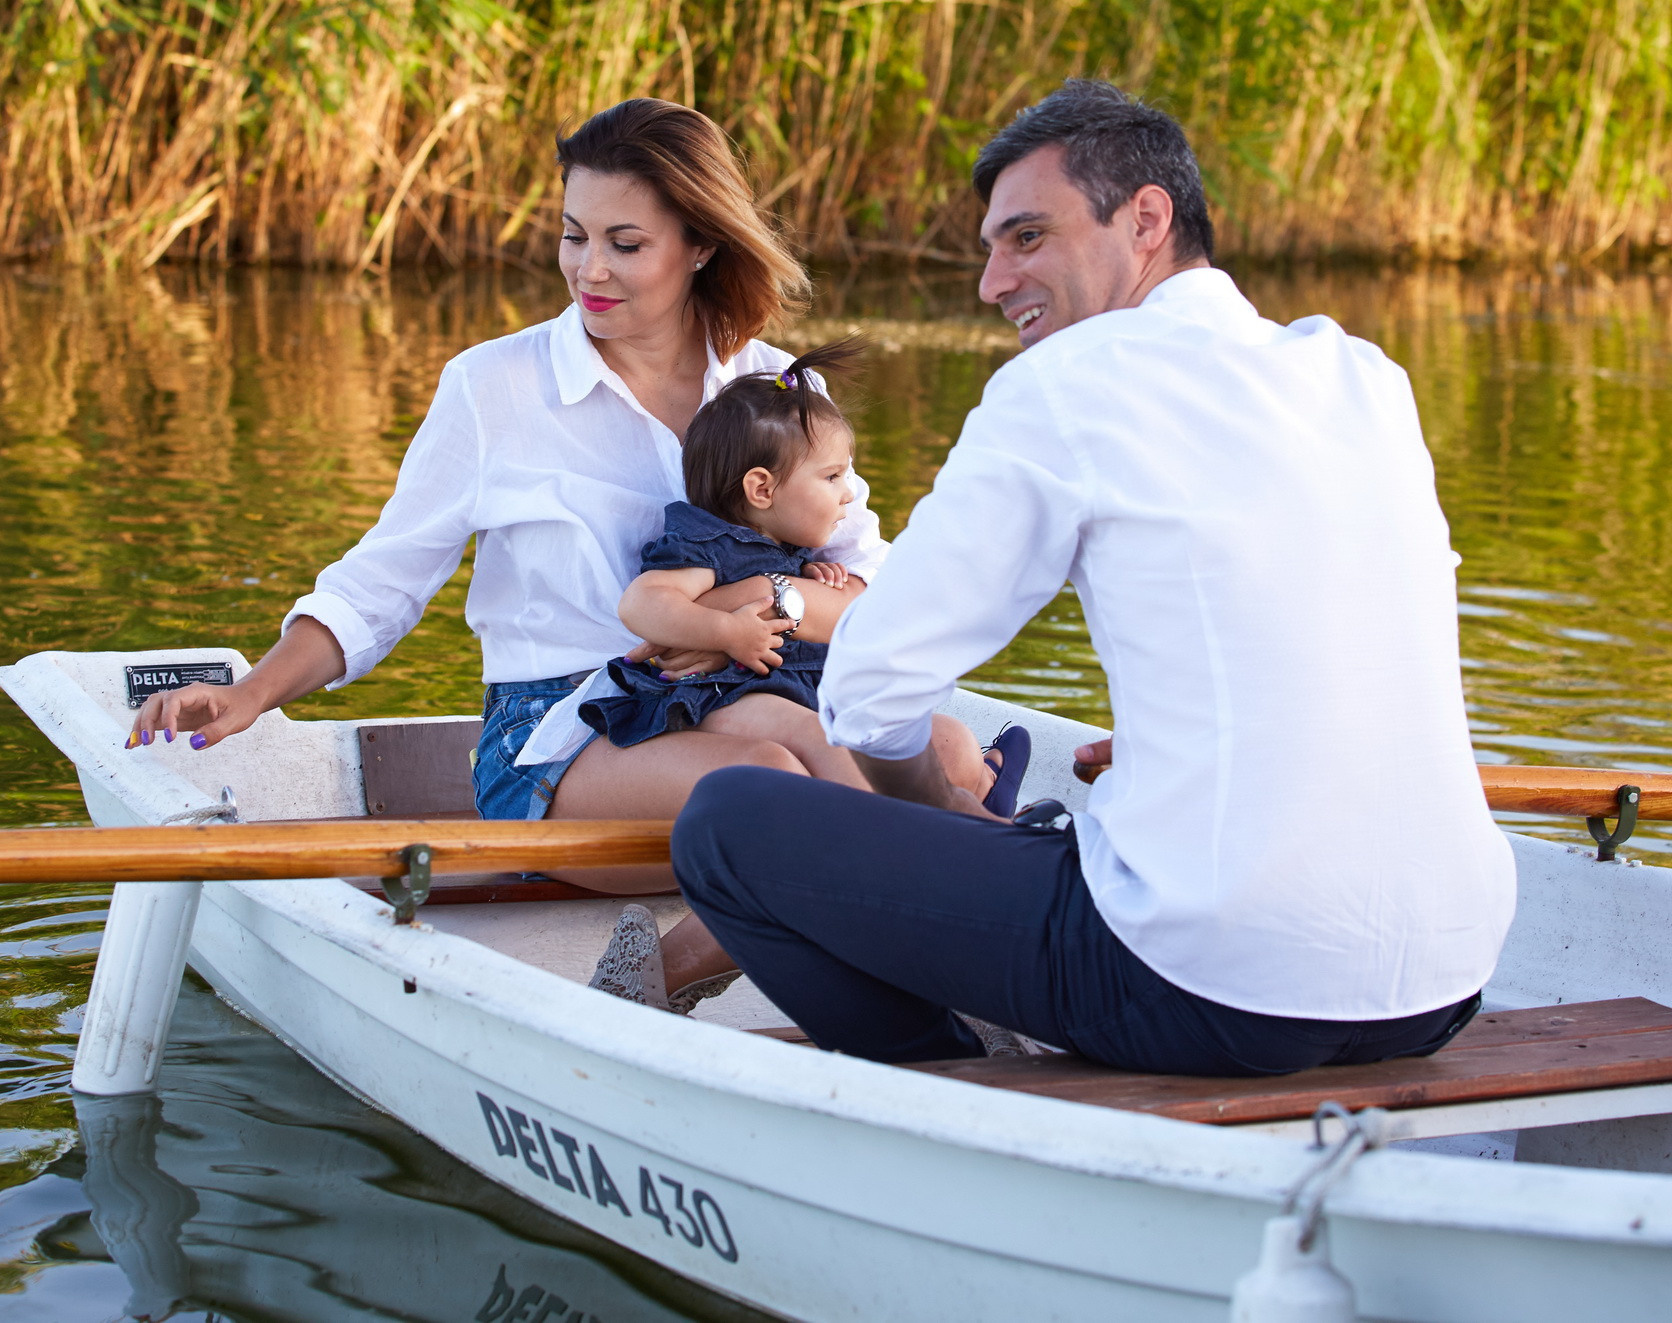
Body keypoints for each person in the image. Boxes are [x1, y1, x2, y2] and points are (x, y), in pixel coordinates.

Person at [669, 79, 1518, 1075]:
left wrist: (938, 810)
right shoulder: (1360, 375)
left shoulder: (1067, 384)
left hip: (1211, 988)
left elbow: (867, 690)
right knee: (1070, 837)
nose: (991, 280)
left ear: (1145, 218)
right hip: (1443, 980)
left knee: (727, 824)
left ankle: (952, 1077)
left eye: (1026, 237)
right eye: (991, 245)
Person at [125, 99, 895, 941]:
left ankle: (906, 918)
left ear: (701, 244)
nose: (589, 269)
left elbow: (872, 595)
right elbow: (383, 583)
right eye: (574, 235)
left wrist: (748, 608)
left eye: (624, 244)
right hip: (561, 734)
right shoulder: (492, 388)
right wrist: (251, 693)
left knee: (934, 752)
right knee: (771, 779)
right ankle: (726, 960)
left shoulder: (781, 390)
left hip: (751, 691)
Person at [535, 339, 1025, 1012]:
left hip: (773, 690)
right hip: (720, 698)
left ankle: (949, 841)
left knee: (906, 735)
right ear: (762, 488)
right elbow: (642, 605)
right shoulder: (705, 542)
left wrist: (806, 580)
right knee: (818, 741)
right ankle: (953, 847)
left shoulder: (802, 551)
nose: (849, 491)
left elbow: (877, 610)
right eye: (832, 478)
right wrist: (726, 630)